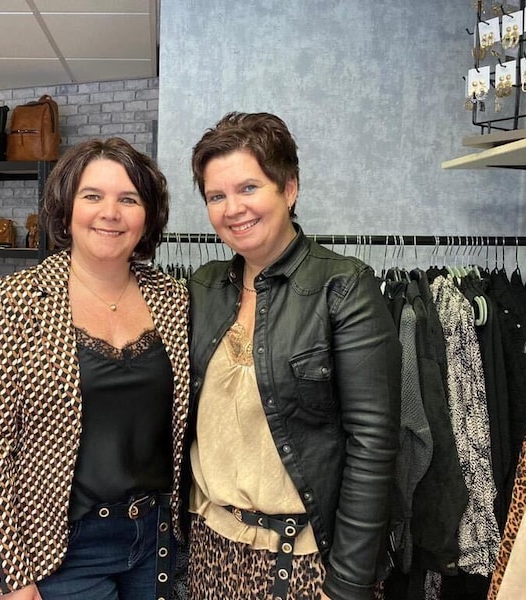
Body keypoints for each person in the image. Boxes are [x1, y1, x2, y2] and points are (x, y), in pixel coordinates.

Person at [185, 112, 401, 600]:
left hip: (304, 559)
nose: (232, 209)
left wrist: (348, 583)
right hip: (210, 547)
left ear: (289, 188)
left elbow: (372, 444)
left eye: (248, 188)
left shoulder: (343, 287)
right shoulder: (204, 287)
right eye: (216, 196)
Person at [0, 137, 191, 600]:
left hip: (158, 539)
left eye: (129, 199)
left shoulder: (174, 298)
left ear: (147, 215)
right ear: (66, 209)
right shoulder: (18, 299)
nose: (110, 213)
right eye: (93, 196)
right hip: (61, 547)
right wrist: (8, 572)